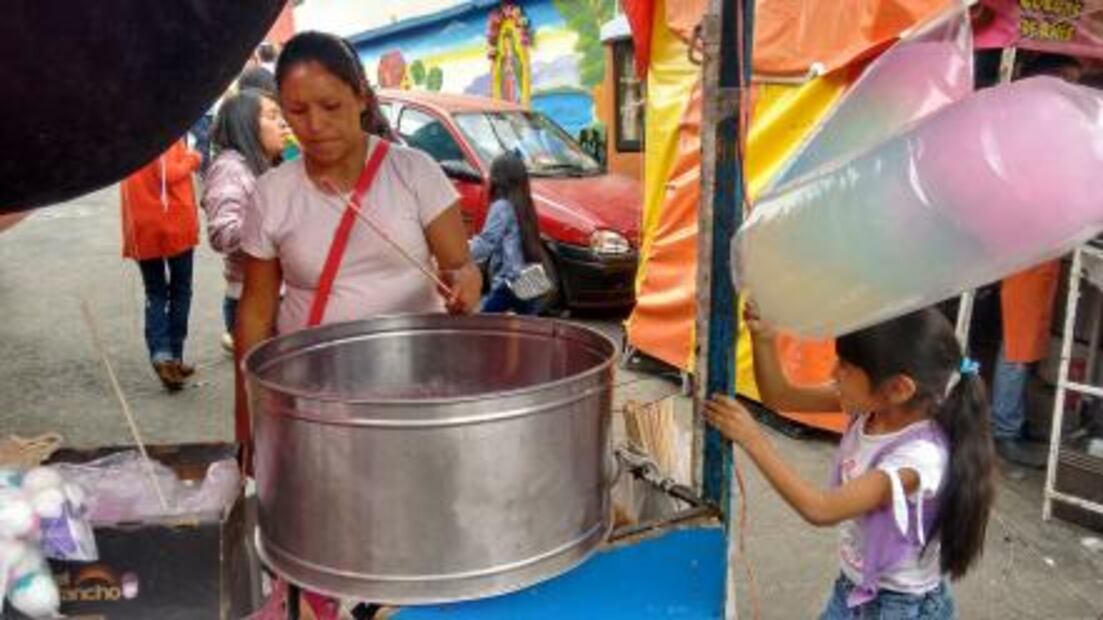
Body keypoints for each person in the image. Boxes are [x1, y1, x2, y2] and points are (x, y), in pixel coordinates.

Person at [706, 307, 995, 618]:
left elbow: (820, 508)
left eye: (844, 366)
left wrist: (753, 439)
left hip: (899, 608)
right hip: (854, 589)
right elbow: (780, 396)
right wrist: (763, 338)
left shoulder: (918, 458)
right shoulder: (876, 406)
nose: (833, 373)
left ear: (898, 388)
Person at [201, 88, 290, 352]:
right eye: (273, 116)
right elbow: (222, 233)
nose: (283, 124)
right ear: (246, 124)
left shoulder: (268, 165)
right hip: (253, 301)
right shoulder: (230, 168)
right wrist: (280, 223)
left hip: (283, 295)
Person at [120, 139, 203, 390]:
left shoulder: (131, 134)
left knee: (155, 291)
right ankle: (172, 356)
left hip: (141, 222)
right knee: (180, 289)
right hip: (171, 220)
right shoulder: (165, 129)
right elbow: (169, 172)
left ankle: (163, 354)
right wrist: (194, 158)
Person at [468, 154, 551, 314]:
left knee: (483, 329)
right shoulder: (525, 203)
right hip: (532, 278)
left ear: (498, 179)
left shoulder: (501, 206)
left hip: (510, 281)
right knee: (526, 330)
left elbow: (486, 242)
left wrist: (460, 255)